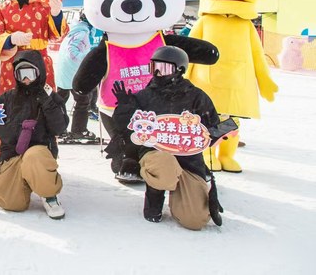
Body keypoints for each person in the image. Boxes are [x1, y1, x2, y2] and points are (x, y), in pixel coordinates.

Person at [111, 46, 226, 230]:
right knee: (164, 164)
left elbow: (212, 125)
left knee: (195, 220)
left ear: (179, 70)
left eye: (163, 69)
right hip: (156, 155)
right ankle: (154, 199)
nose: (157, 73)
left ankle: (183, 194)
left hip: (189, 160)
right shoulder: (145, 95)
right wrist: (125, 106)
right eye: (154, 68)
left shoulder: (196, 96)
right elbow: (125, 128)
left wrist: (217, 132)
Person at [0, 51, 68, 219]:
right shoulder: (7, 99)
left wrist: (46, 102)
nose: (26, 79)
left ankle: (49, 195)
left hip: (38, 157)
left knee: (34, 156)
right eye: (21, 74)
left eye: (30, 73)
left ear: (38, 72)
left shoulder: (51, 98)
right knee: (11, 204)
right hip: (12, 158)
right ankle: (22, 185)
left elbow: (59, 128)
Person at [55, 12, 99, 144]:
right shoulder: (82, 33)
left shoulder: (75, 30)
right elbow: (71, 52)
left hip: (64, 72)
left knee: (60, 100)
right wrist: (87, 59)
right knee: (83, 100)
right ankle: (79, 130)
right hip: (73, 73)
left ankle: (58, 128)